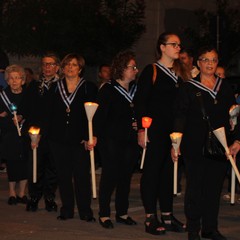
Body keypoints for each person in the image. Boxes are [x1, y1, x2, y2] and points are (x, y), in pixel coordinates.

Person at [172, 46, 240, 240]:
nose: (210, 64)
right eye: (206, 60)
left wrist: (237, 140)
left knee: (214, 188)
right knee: (195, 188)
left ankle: (210, 228)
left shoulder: (225, 87)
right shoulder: (188, 87)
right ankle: (193, 229)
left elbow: (235, 115)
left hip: (219, 145)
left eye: (214, 60)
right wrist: (176, 143)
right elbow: (180, 116)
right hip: (194, 146)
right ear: (199, 63)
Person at [133, 32, 186, 235]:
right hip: (154, 130)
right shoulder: (152, 70)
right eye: (174, 44)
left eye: (179, 45)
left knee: (168, 174)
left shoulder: (180, 73)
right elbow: (141, 101)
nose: (178, 48)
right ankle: (150, 217)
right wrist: (141, 129)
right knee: (152, 172)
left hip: (173, 132)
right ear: (162, 47)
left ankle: (167, 214)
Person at [46, 53, 97, 221]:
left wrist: (90, 136)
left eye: (74, 65)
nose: (70, 67)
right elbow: (49, 114)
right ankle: (67, 209)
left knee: (82, 176)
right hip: (58, 140)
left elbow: (94, 115)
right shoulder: (55, 87)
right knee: (63, 176)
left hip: (80, 140)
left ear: (80, 69)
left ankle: (85, 210)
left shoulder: (89, 87)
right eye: (67, 64)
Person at [94, 51, 139, 229]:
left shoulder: (137, 89)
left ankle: (122, 212)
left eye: (135, 67)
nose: (136, 70)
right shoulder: (108, 89)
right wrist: (94, 136)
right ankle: (104, 214)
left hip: (131, 140)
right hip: (110, 141)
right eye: (132, 67)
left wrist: (140, 123)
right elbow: (99, 117)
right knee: (109, 176)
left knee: (125, 177)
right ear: (121, 69)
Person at [22, 52, 60, 212]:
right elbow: (27, 109)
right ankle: (34, 197)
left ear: (57, 67)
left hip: (54, 134)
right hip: (36, 135)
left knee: (52, 168)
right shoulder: (34, 86)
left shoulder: (62, 86)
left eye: (51, 64)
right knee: (35, 167)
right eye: (44, 64)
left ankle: (50, 197)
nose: (47, 67)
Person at [0, 65, 28, 205]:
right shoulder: (3, 95)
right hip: (9, 134)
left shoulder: (28, 95)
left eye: (17, 78)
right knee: (12, 163)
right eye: (11, 78)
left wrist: (22, 117)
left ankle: (22, 193)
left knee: (24, 163)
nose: (14, 81)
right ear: (7, 80)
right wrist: (4, 117)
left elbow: (32, 112)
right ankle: (12, 192)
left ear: (22, 80)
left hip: (25, 134)